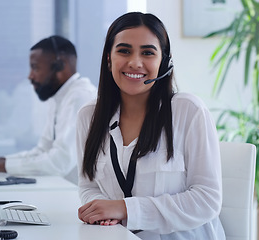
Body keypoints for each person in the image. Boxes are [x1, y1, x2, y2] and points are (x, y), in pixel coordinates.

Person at [76, 12, 225, 239]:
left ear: (163, 62)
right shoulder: (89, 116)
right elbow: (88, 187)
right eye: (124, 51)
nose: (135, 62)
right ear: (109, 59)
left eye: (148, 53)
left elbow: (207, 199)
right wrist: (104, 212)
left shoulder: (189, 111)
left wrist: (125, 209)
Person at [0, 36, 97, 184]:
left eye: (35, 67)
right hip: (64, 190)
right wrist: (0, 161)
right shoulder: (59, 97)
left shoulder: (80, 97)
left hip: (81, 199)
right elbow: (43, 150)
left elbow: (60, 162)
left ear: (60, 65)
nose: (30, 76)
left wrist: (1, 165)